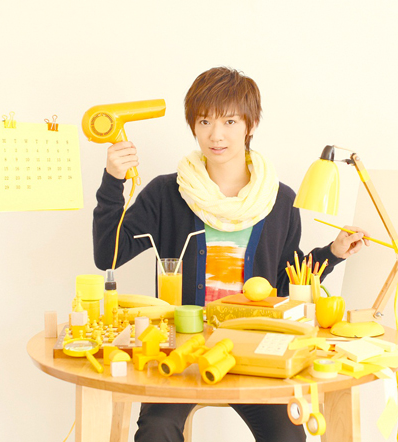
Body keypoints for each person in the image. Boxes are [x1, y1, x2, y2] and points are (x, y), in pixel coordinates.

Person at [93, 67, 369, 442]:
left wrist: (333, 253)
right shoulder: (167, 193)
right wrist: (113, 180)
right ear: (193, 125)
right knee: (156, 430)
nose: (216, 134)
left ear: (250, 125)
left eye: (229, 121)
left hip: (255, 349)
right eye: (204, 121)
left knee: (288, 437)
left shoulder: (279, 200)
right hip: (180, 351)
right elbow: (108, 255)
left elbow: (285, 281)